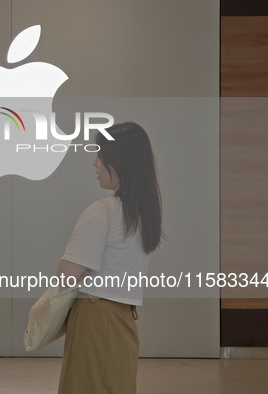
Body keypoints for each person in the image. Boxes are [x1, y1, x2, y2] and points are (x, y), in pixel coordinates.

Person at [56, 122, 163, 393]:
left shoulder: (102, 211)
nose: (95, 163)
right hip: (125, 319)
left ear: (119, 160)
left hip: (95, 315)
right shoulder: (144, 214)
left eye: (100, 155)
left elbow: (66, 275)